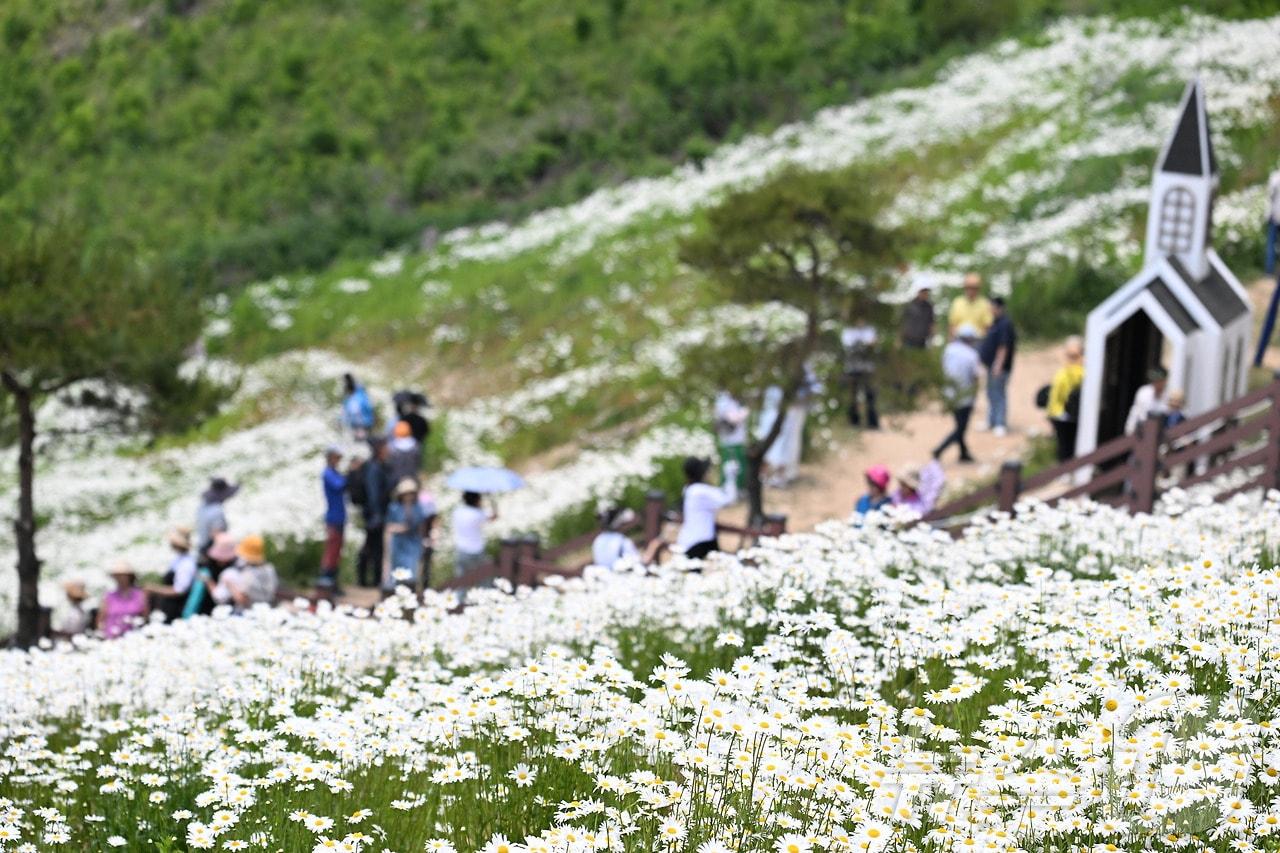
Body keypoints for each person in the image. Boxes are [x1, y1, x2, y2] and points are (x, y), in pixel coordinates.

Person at [933, 325, 981, 463]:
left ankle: (963, 453)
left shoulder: (949, 350)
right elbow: (975, 377)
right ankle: (940, 449)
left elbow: (941, 367)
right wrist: (974, 395)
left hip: (949, 393)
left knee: (960, 425)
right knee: (961, 428)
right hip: (964, 395)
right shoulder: (972, 355)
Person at [675, 456, 737, 560]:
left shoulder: (689, 489)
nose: (709, 473)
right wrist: (731, 476)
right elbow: (729, 499)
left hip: (691, 539)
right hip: (699, 541)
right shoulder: (701, 491)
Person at [978, 296, 1016, 437]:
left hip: (999, 366)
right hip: (990, 365)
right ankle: (991, 420)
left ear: (998, 307)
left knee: (999, 394)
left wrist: (998, 365)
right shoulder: (995, 323)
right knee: (991, 393)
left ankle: (1000, 423)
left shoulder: (1005, 324)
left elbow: (1003, 346)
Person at [383, 479, 429, 592]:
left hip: (413, 542)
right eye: (406, 494)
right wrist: (398, 528)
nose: (409, 496)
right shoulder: (394, 507)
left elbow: (421, 525)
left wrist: (424, 539)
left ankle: (411, 593)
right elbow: (388, 526)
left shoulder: (418, 508)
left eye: (411, 493)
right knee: (398, 571)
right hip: (399, 542)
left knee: (412, 570)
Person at [358, 439, 393, 587]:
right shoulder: (374, 468)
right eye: (386, 447)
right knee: (373, 547)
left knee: (373, 546)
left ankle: (371, 579)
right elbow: (373, 493)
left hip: (376, 513)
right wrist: (377, 514)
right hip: (375, 514)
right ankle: (368, 580)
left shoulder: (380, 467)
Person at [145, 526, 198, 622]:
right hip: (169, 606)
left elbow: (179, 590)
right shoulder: (179, 559)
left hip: (175, 609)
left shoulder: (186, 564)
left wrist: (155, 589)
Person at [213, 535, 278, 611]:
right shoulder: (270, 569)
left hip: (249, 612)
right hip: (267, 609)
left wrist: (230, 585)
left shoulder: (248, 574)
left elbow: (242, 600)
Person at [1047, 336, 1085, 463]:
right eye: (1068, 355)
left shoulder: (1078, 371)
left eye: (1074, 356)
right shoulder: (1062, 372)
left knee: (1070, 446)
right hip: (1060, 414)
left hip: (1072, 414)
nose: (1071, 359)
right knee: (1064, 446)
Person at [183, 532, 237, 619]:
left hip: (215, 613)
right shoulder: (236, 568)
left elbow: (219, 597)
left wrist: (208, 581)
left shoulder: (228, 573)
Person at [841, 320, 879, 429]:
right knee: (853, 396)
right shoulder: (848, 330)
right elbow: (847, 344)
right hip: (852, 368)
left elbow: (873, 344)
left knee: (870, 395)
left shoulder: (870, 329)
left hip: (868, 368)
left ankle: (872, 422)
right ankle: (854, 422)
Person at [98, 561, 148, 639]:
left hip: (133, 637)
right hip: (111, 638)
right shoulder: (109, 596)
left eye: (123, 575)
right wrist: (101, 634)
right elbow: (101, 618)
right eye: (117, 575)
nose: (120, 578)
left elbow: (145, 617)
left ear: (130, 576)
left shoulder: (140, 594)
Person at [452, 491, 495, 578]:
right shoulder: (478, 514)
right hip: (476, 550)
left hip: (461, 550)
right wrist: (492, 500)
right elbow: (494, 517)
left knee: (461, 581)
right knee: (482, 580)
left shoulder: (458, 512)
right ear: (477, 500)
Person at [320, 446, 347, 587]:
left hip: (340, 516)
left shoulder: (335, 472)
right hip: (333, 517)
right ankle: (326, 582)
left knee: (337, 552)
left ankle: (333, 583)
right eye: (337, 458)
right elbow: (339, 485)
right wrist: (351, 473)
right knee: (331, 551)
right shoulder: (328, 473)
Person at [713, 390, 749, 492]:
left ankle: (740, 488)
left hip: (739, 439)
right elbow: (732, 418)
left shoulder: (736, 400)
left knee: (740, 464)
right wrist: (744, 412)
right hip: (730, 440)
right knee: (730, 465)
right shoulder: (723, 400)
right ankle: (728, 489)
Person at [194, 477, 238, 554]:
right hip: (212, 554)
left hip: (201, 548)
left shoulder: (202, 506)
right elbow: (216, 535)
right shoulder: (217, 511)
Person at [1125, 367, 1169, 435]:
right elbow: (1135, 411)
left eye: (1159, 380)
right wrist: (1130, 429)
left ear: (1164, 381)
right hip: (1142, 431)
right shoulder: (1143, 392)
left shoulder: (1169, 396)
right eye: (1155, 380)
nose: (1156, 383)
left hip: (1160, 433)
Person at [947, 273, 994, 337]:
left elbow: (988, 327)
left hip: (978, 342)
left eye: (973, 288)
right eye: (968, 287)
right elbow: (952, 325)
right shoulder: (957, 302)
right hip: (960, 341)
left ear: (978, 288)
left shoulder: (985, 304)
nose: (970, 290)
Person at [900, 277, 935, 350]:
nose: (925, 294)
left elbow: (932, 324)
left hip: (922, 342)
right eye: (923, 291)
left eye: (926, 292)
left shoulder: (929, 307)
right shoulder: (910, 305)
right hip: (908, 341)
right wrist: (899, 340)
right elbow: (902, 322)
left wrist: (931, 341)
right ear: (919, 291)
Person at [341, 373, 375, 439]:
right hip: (364, 423)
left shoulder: (353, 399)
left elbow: (351, 412)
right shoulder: (360, 394)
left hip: (360, 424)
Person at [388, 421, 421, 486]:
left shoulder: (392, 447)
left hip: (397, 480)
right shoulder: (416, 446)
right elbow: (418, 463)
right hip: (412, 479)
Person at [1267, 164, 1280, 276]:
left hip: (1275, 215)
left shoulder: (1275, 177)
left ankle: (1269, 272)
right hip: (1275, 214)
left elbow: (1270, 196)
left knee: (1271, 244)